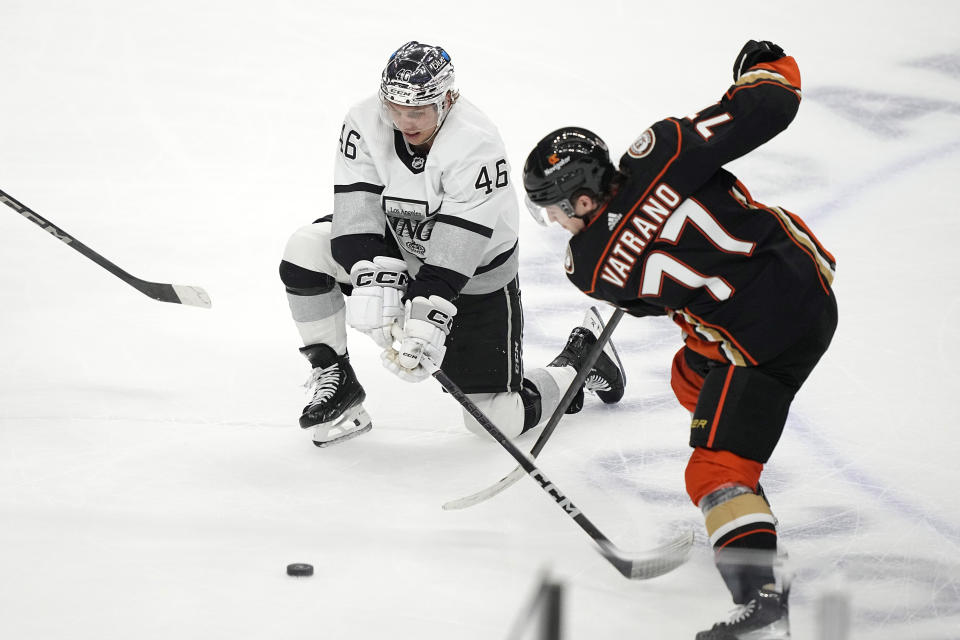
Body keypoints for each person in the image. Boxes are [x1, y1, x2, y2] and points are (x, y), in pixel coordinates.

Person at [522, 40, 837, 639]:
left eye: (556, 210)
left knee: (713, 471)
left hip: (761, 344)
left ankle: (762, 597)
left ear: (582, 199)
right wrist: (765, 68)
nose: (555, 223)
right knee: (688, 375)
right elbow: (768, 107)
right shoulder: (661, 148)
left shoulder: (590, 268)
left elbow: (644, 304)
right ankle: (745, 474)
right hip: (804, 285)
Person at [278, 41, 626, 448]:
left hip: (473, 275)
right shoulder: (363, 118)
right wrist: (371, 275)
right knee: (304, 249)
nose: (405, 122)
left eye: (418, 112)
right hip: (401, 247)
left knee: (496, 420)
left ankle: (580, 362)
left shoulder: (475, 142)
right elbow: (357, 208)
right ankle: (338, 384)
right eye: (395, 108)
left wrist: (427, 318)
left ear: (447, 99)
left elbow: (456, 247)